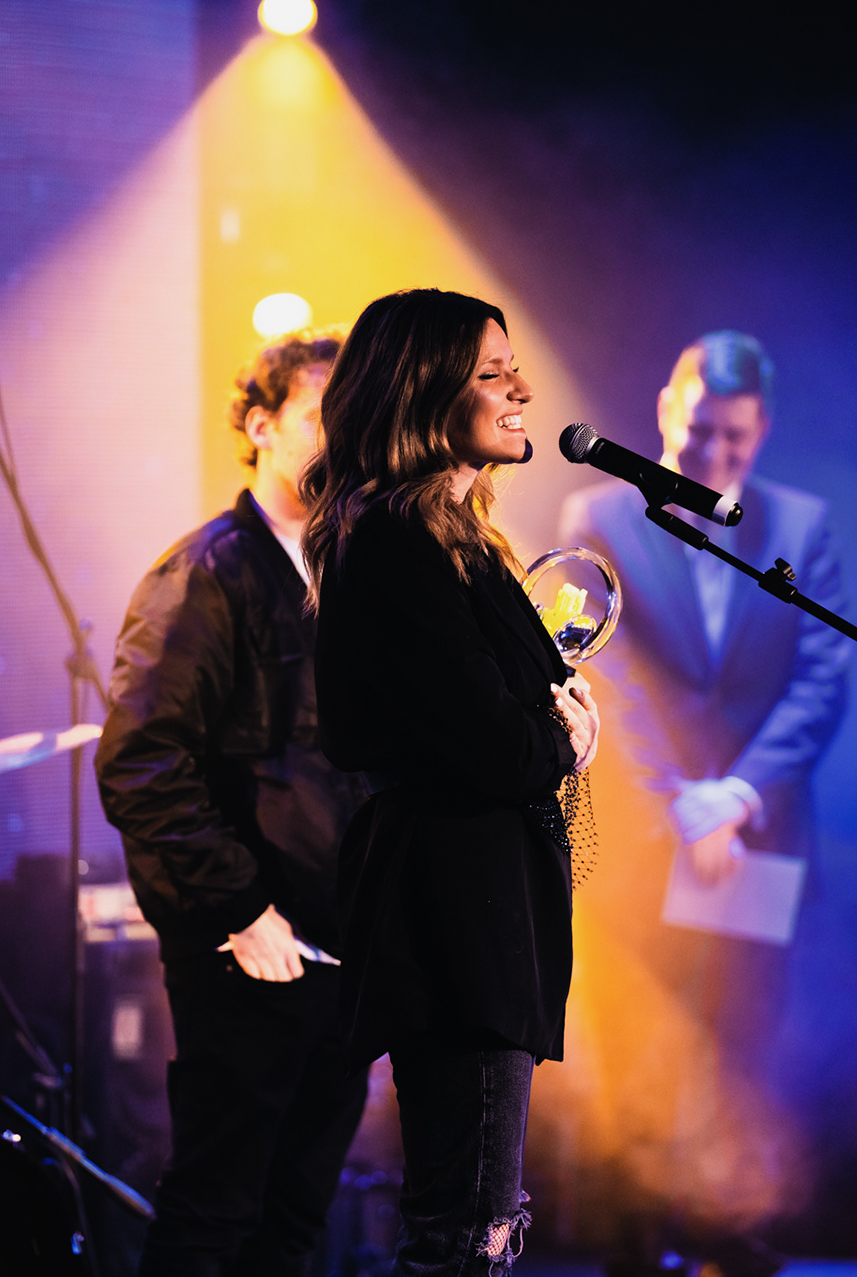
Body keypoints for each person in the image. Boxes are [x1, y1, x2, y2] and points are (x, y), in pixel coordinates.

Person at [304, 288, 601, 1277]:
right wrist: (564, 738)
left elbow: (515, 717)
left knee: (473, 1218)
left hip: (481, 913)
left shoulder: (456, 542)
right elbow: (501, 743)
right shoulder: (396, 546)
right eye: (492, 372)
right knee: (464, 1229)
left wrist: (556, 726)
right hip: (454, 921)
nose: (522, 390)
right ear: (424, 392)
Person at [557, 331, 849, 1269]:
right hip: (645, 837)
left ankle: (730, 1233)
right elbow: (606, 678)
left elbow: (821, 678)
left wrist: (737, 797)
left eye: (735, 437)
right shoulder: (597, 512)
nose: (714, 454)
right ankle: (634, 1245)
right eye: (699, 433)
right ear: (665, 412)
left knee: (742, 1046)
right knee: (635, 1052)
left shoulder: (803, 524)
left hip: (755, 836)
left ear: (762, 432)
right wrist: (676, 806)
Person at [96, 329, 372, 1277]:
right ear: (260, 425)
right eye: (322, 415)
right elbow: (139, 763)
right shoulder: (206, 572)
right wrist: (242, 911)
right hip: (247, 947)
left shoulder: (355, 571)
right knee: (215, 1210)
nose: (345, 436)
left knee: (294, 1221)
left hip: (340, 950)